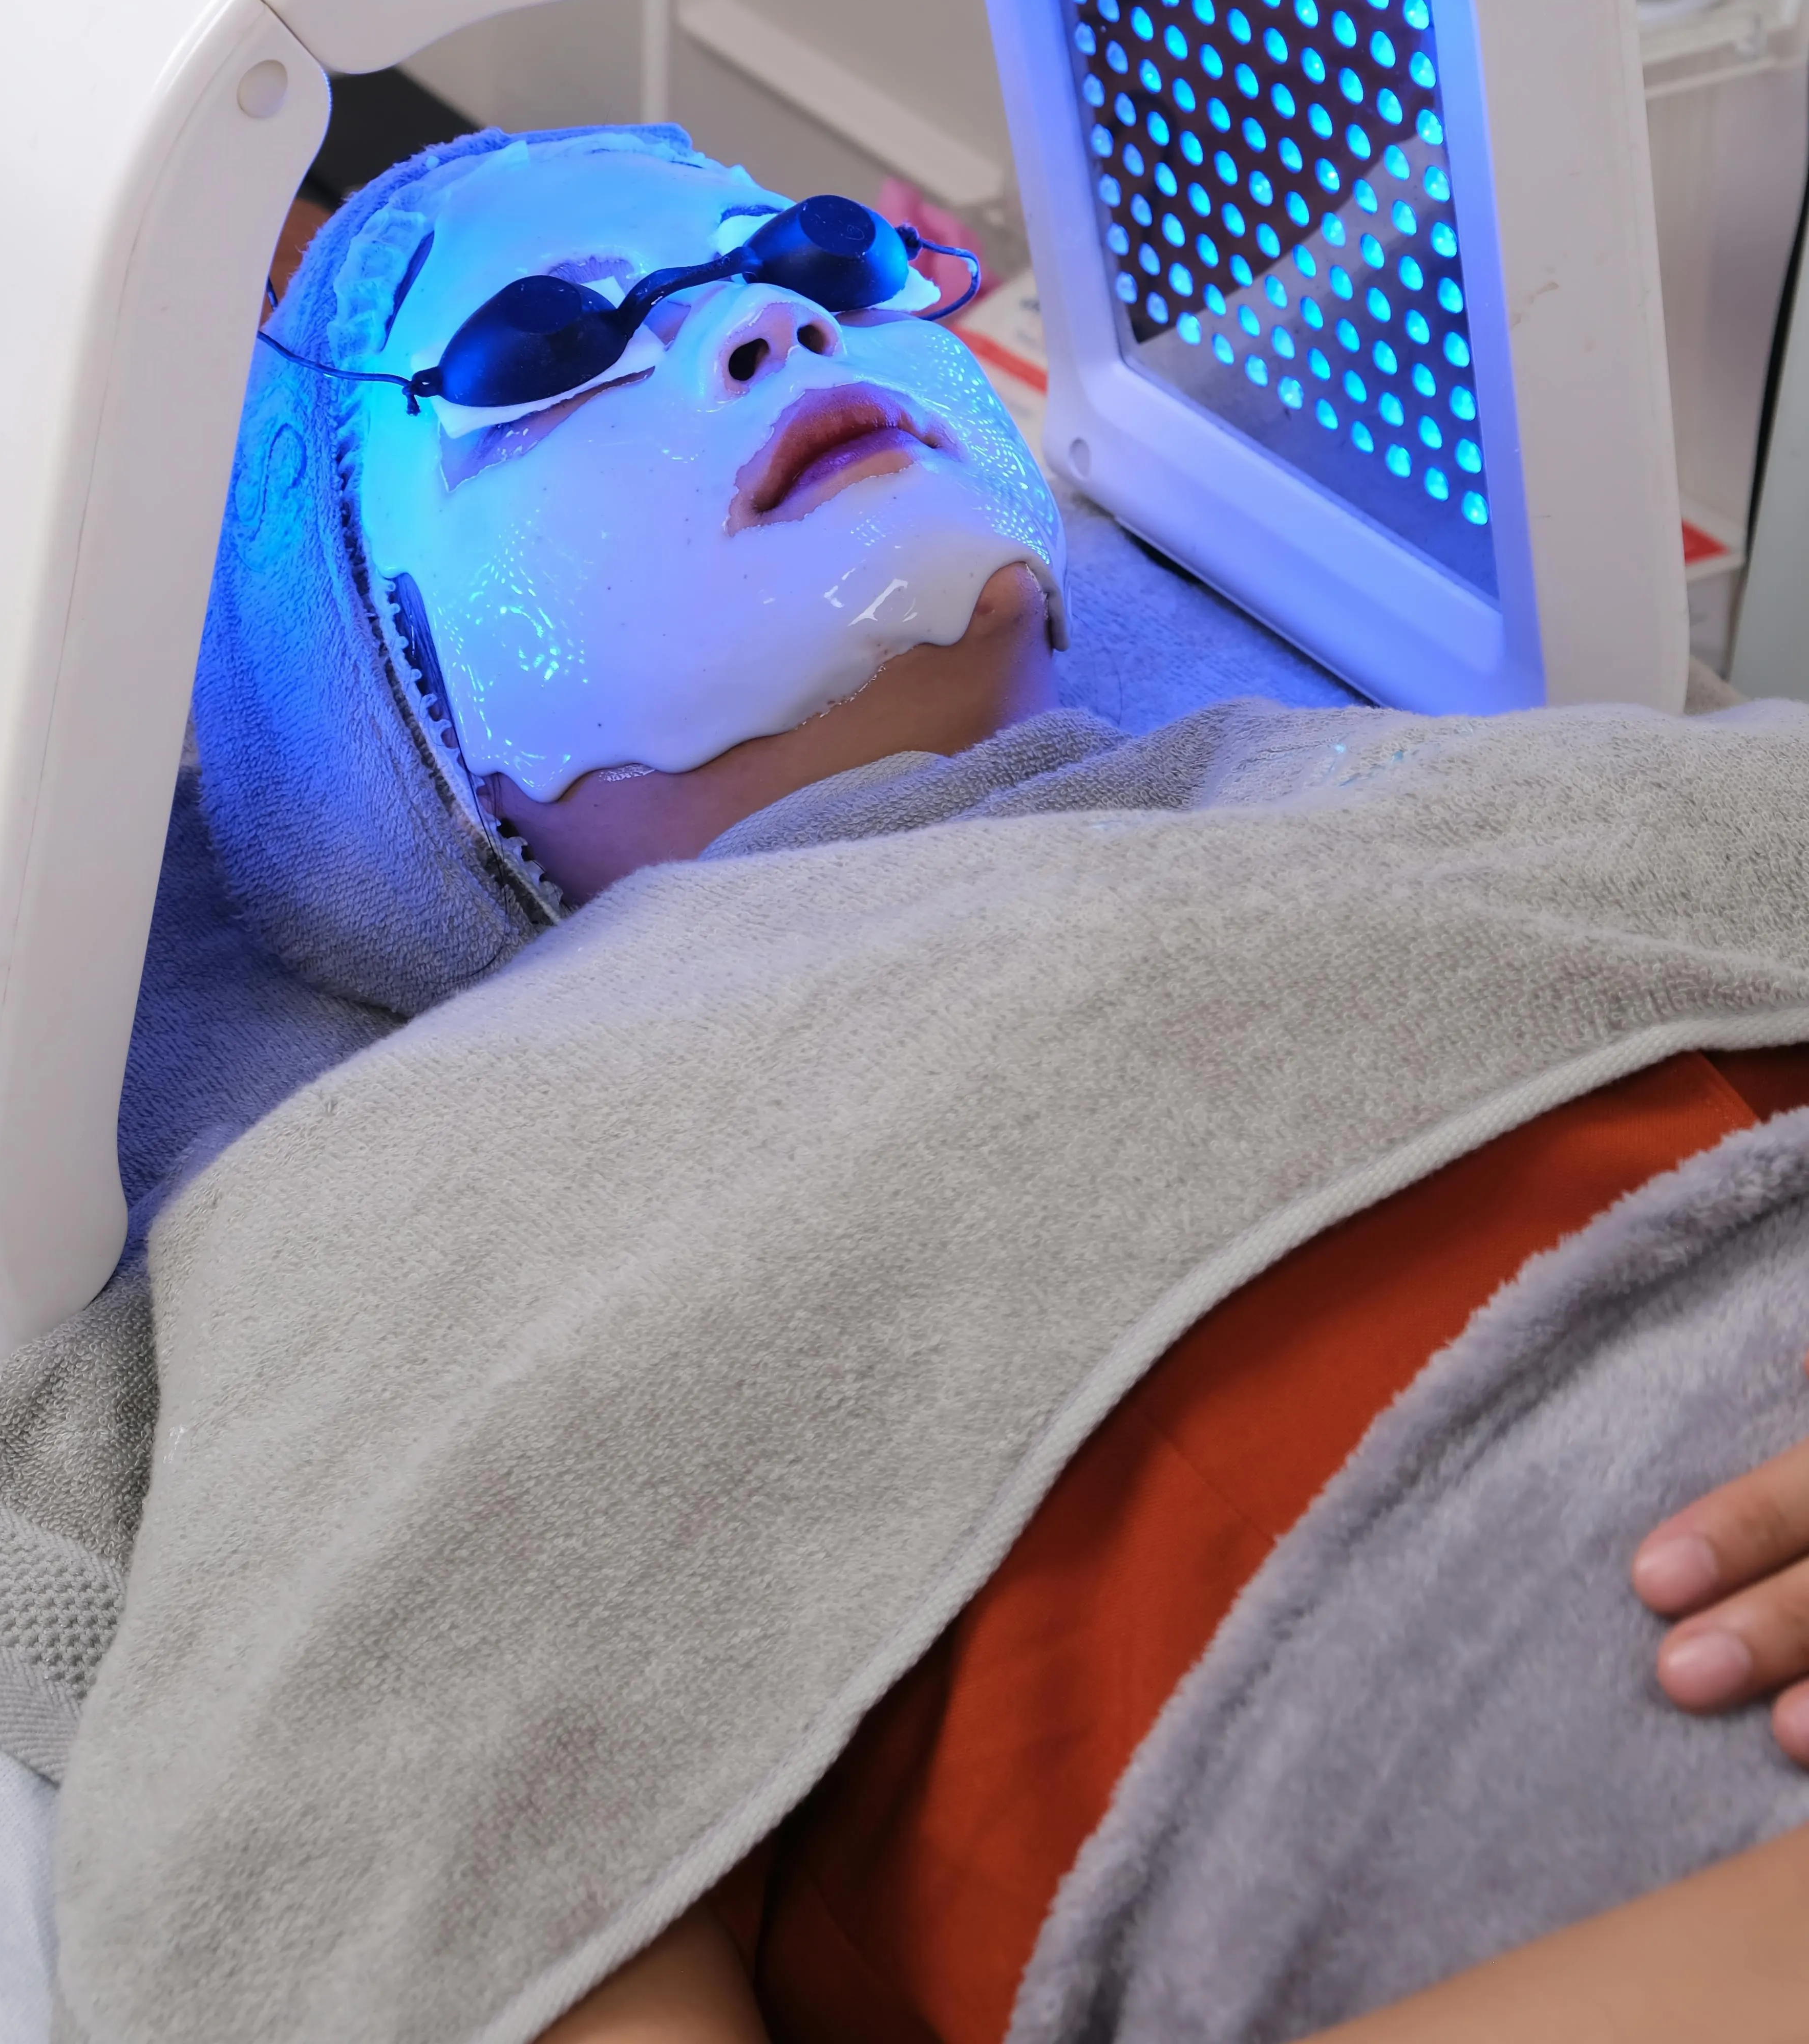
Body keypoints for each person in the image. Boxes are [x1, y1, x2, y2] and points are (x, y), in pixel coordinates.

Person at [200, 118, 1809, 2044]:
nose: (769, 338)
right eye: (547, 350)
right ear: (382, 739)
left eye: (812, 266)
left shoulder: (1470, 797)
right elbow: (426, 1931)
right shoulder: (410, 1207)